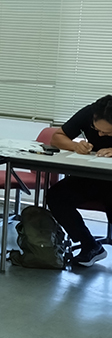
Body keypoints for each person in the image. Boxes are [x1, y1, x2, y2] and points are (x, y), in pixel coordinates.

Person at [46, 95, 112, 266]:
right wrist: (75, 145)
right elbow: (57, 137)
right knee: (56, 196)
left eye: (107, 133)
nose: (100, 135)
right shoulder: (90, 112)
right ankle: (89, 245)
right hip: (91, 176)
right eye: (96, 129)